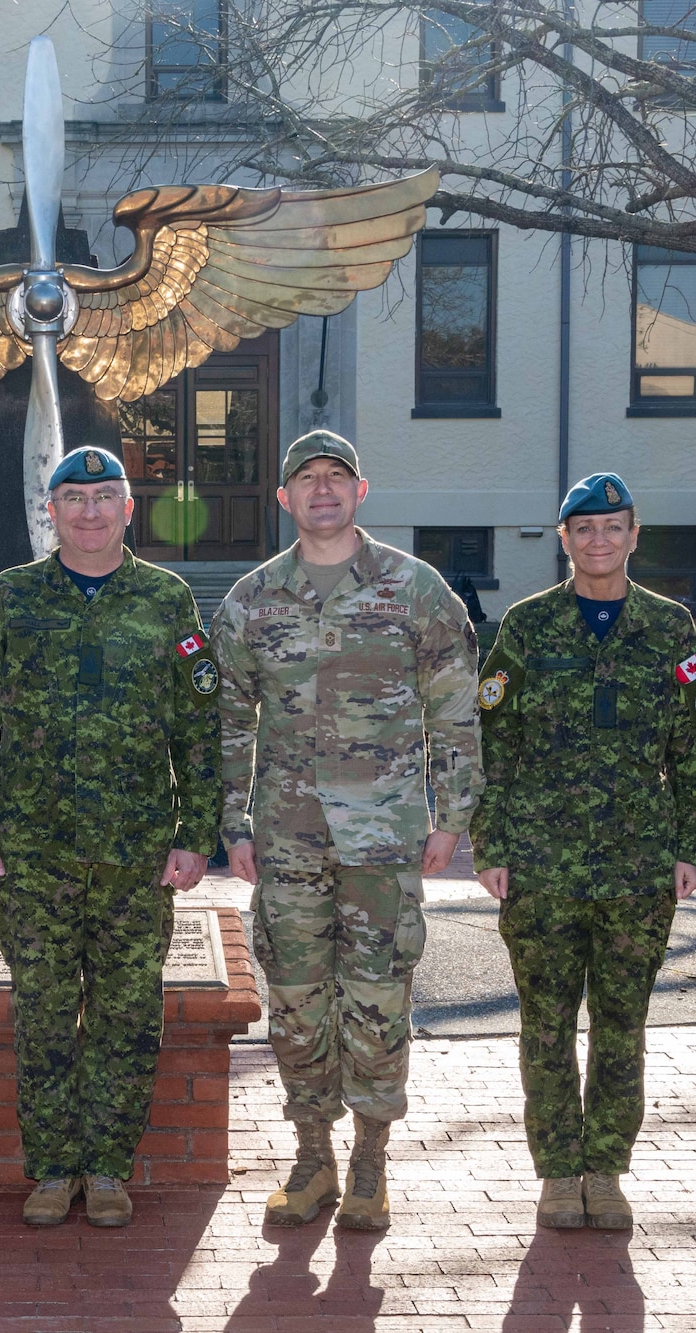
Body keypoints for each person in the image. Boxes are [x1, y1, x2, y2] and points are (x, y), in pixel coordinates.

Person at [210, 429, 480, 1231]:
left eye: (337, 476)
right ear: (284, 499)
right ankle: (312, 1154)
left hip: (385, 838)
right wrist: (234, 822)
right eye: (306, 479)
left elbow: (456, 709)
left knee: (376, 998)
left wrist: (452, 814)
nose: (321, 489)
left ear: (361, 491)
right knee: (294, 1000)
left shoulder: (416, 589)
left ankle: (369, 1160)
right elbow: (227, 720)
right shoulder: (252, 600)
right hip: (288, 838)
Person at [0, 445, 219, 1229]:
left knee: (130, 1014)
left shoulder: (166, 600)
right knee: (42, 1013)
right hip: (35, 854)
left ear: (129, 509)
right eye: (75, 497)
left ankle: (106, 1166)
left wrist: (197, 831)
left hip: (137, 856)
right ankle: (52, 1166)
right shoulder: (13, 596)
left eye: (106, 496)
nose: (90, 511)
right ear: (51, 511)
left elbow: (200, 727)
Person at [471, 473, 696, 1231]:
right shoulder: (527, 625)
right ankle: (557, 1173)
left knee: (622, 1025)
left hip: (638, 866)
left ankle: (606, 1170)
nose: (600, 540)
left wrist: (692, 845)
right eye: (585, 529)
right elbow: (493, 740)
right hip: (542, 868)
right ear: (565, 540)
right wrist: (492, 844)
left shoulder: (673, 628)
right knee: (546, 1025)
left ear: (634, 535)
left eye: (614, 526)